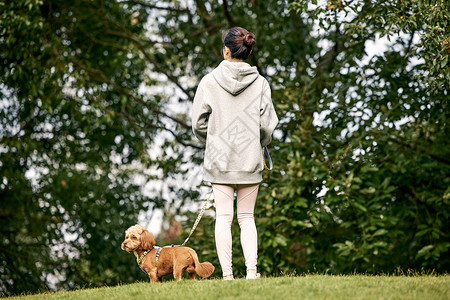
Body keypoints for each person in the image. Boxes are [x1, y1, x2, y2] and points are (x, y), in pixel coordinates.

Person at [191, 27, 278, 280]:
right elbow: (267, 125)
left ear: (226, 50)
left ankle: (227, 277)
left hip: (219, 159)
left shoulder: (209, 81)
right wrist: (256, 143)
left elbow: (198, 123)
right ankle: (252, 273)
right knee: (247, 217)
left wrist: (214, 139)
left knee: (224, 218)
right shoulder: (261, 83)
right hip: (250, 160)